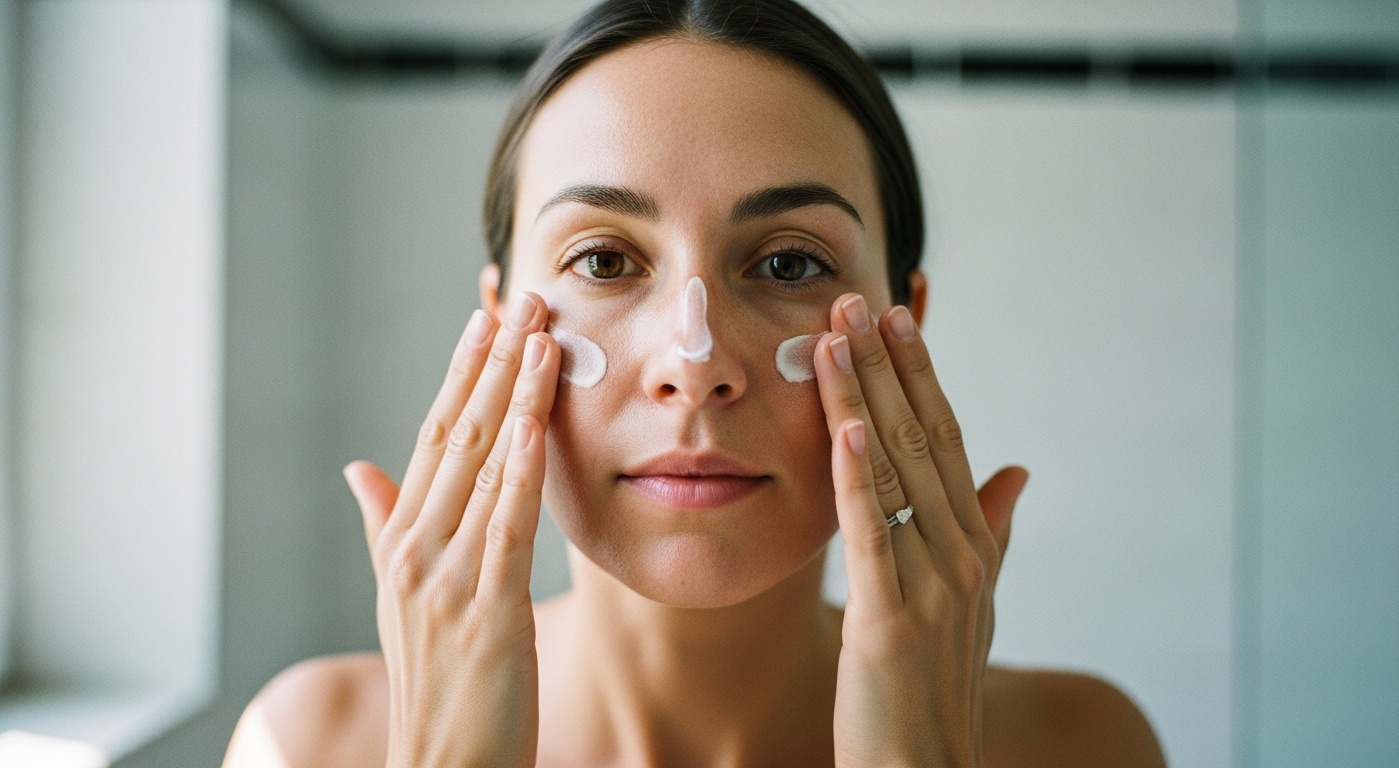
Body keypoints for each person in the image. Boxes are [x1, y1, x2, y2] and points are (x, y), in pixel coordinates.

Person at [223, 0, 1166, 765]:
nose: (695, 361)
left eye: (791, 264)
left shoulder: (1086, 748)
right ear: (497, 322)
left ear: (903, 320)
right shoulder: (308, 745)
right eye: (602, 261)